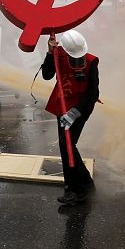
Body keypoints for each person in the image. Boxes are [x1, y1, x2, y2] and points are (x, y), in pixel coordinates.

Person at [42, 30, 98, 206]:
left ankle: (82, 189)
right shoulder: (59, 56)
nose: (78, 59)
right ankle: (74, 186)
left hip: (80, 109)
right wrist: (50, 53)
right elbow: (47, 75)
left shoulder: (91, 62)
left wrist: (75, 113)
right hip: (63, 105)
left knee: (68, 146)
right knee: (64, 145)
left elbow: (92, 94)